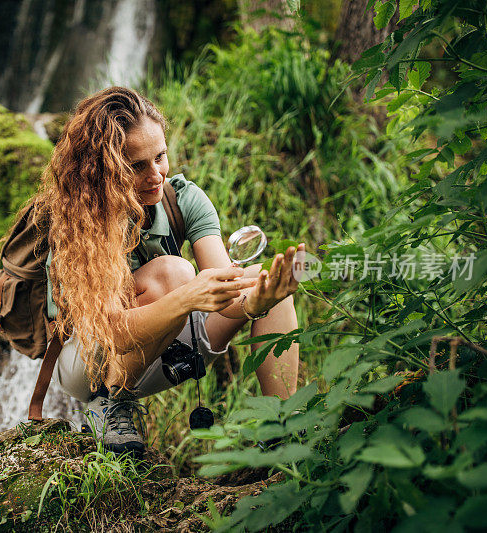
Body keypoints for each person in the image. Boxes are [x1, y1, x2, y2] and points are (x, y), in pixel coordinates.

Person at [30, 86, 304, 455]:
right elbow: (114, 332)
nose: (155, 174)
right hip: (90, 364)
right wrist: (185, 296)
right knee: (174, 274)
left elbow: (225, 295)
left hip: (167, 348)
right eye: (137, 166)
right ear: (103, 169)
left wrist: (256, 300)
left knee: (269, 285)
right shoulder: (80, 226)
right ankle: (115, 405)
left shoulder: (184, 199)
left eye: (160, 156)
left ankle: (287, 425)